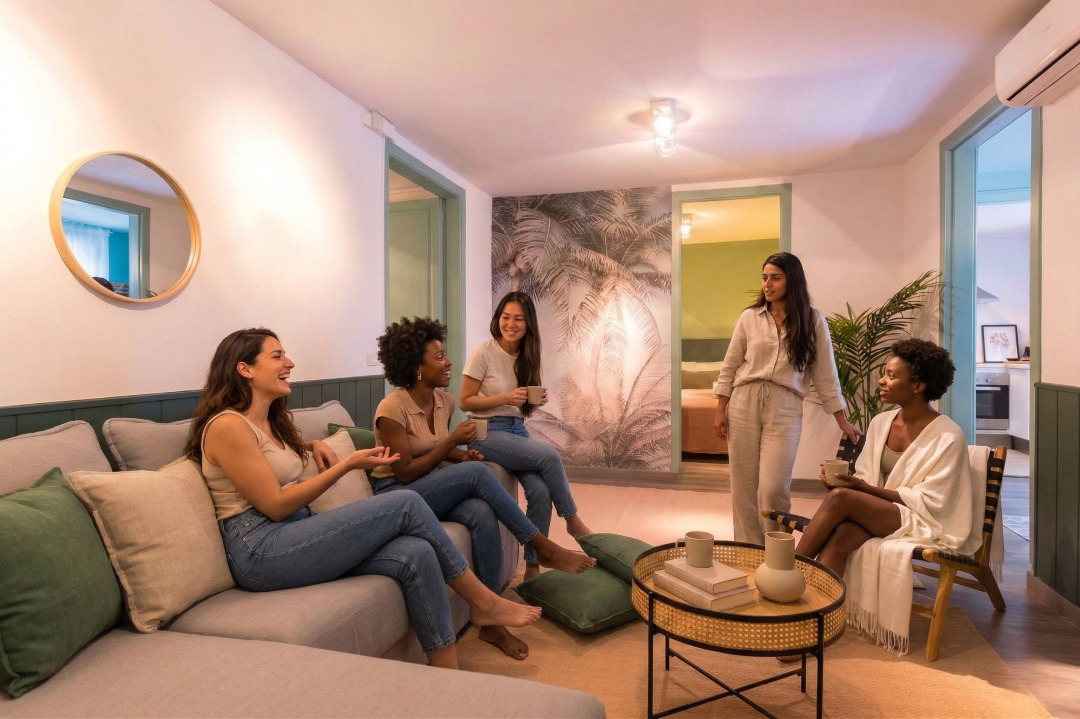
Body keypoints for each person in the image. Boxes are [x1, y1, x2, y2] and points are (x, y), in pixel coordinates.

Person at [185, 328, 540, 671]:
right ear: (244, 368)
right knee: (405, 503)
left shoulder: (269, 421)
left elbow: (264, 457)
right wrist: (348, 464)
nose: (289, 363)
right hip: (260, 548)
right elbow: (276, 505)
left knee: (416, 552)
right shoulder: (227, 426)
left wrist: (311, 444)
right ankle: (483, 600)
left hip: (294, 531)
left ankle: (445, 672)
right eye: (277, 356)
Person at [372, 316, 595, 660]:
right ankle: (540, 544)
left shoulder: (444, 401)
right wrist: (453, 446)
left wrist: (461, 456)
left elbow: (432, 449)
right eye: (439, 357)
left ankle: (491, 621)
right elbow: (403, 473)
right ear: (416, 368)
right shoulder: (392, 409)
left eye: (445, 354)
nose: (448, 362)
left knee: (480, 511)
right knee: (477, 474)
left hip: (426, 488)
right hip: (396, 496)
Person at [793, 338, 981, 654]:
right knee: (842, 534)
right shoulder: (882, 422)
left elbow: (935, 502)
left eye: (891, 376)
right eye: (884, 373)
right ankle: (809, 627)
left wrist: (858, 490)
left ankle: (787, 572)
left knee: (841, 499)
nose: (881, 381)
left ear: (918, 386)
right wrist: (849, 485)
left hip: (924, 520)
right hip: (884, 512)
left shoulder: (948, 436)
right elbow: (867, 477)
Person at [713, 252, 860, 544]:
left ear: (792, 281)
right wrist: (721, 408)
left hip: (786, 406)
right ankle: (748, 549)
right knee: (742, 487)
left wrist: (841, 420)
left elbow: (825, 373)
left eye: (775, 278)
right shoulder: (749, 318)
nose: (767, 284)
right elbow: (730, 364)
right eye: (764, 277)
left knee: (774, 488)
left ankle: (774, 550)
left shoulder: (813, 321)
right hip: (743, 401)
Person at [459, 292, 593, 581]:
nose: (511, 324)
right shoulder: (483, 353)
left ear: (528, 323)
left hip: (515, 428)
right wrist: (505, 397)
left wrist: (534, 401)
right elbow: (465, 401)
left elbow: (519, 408)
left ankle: (532, 566)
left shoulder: (527, 357)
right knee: (550, 455)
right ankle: (572, 520)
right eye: (505, 317)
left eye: (518, 319)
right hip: (485, 431)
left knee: (540, 492)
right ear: (498, 319)